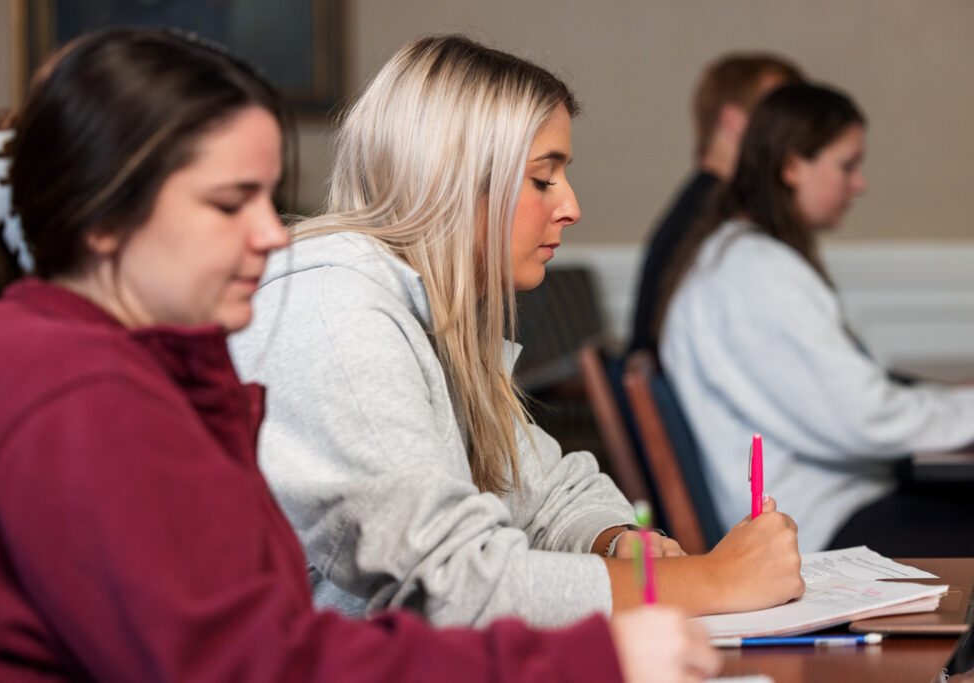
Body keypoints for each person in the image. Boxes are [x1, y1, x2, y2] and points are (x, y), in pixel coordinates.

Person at [0, 28, 721, 682]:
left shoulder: (127, 367)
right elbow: (253, 660)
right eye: (229, 203)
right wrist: (594, 651)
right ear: (104, 219)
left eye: (266, 196)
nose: (271, 232)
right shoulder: (64, 384)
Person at [230, 34, 803, 631]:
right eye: (542, 179)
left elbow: (549, 492)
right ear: (452, 179)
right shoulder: (335, 310)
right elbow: (446, 584)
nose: (571, 207)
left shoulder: (437, 316)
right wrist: (711, 580)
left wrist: (614, 541)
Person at [656, 82, 974, 556]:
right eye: (847, 165)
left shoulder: (742, 257)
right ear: (790, 166)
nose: (859, 183)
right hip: (817, 528)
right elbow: (866, 419)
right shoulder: (754, 273)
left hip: (829, 509)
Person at [628, 53, 803, 356]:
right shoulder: (723, 219)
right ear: (734, 121)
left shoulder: (702, 204)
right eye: (778, 117)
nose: (796, 134)